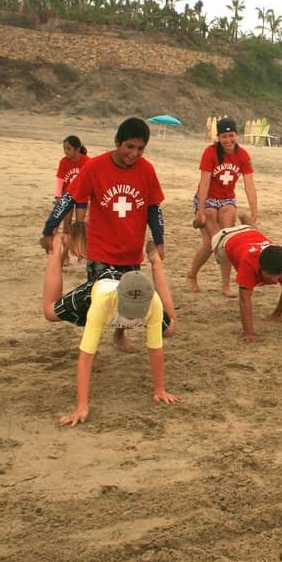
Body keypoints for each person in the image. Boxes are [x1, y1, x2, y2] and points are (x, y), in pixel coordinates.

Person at [40, 117, 169, 350]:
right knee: (97, 300)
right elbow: (69, 197)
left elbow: (154, 208)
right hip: (100, 249)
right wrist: (49, 228)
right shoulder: (95, 167)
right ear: (117, 142)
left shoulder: (146, 170)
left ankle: (120, 336)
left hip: (131, 251)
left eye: (140, 148)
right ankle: (92, 345)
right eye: (130, 146)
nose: (134, 153)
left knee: (129, 297)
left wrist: (159, 240)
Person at [43, 237, 180, 427]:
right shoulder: (102, 303)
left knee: (171, 327)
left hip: (129, 285)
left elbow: (155, 349)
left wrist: (160, 389)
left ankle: (156, 263)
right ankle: (55, 250)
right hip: (98, 288)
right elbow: (86, 356)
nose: (132, 318)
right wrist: (82, 406)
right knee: (50, 312)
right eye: (129, 311)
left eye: (136, 312)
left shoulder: (153, 303)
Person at [187, 117, 258, 296]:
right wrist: (201, 210)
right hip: (207, 199)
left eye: (231, 135)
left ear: (236, 135)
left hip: (227, 199)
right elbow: (204, 184)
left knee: (226, 241)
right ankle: (192, 275)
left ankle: (225, 285)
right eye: (224, 136)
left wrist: (254, 211)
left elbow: (249, 184)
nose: (228, 140)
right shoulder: (210, 153)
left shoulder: (242, 155)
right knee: (213, 241)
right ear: (218, 137)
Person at [212, 225, 282, 341]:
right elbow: (244, 298)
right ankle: (192, 275)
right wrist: (249, 333)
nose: (275, 280)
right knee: (210, 245)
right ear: (260, 267)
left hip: (251, 233)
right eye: (270, 276)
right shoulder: (249, 262)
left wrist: (276, 315)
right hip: (226, 237)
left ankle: (246, 223)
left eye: (279, 275)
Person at [54, 135, 89, 258]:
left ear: (77, 149)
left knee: (80, 225)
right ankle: (65, 253)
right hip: (67, 196)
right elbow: (60, 179)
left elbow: (91, 178)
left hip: (82, 197)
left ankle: (79, 250)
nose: (66, 151)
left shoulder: (86, 161)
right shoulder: (64, 162)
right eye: (64, 148)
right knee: (67, 225)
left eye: (68, 148)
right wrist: (58, 196)